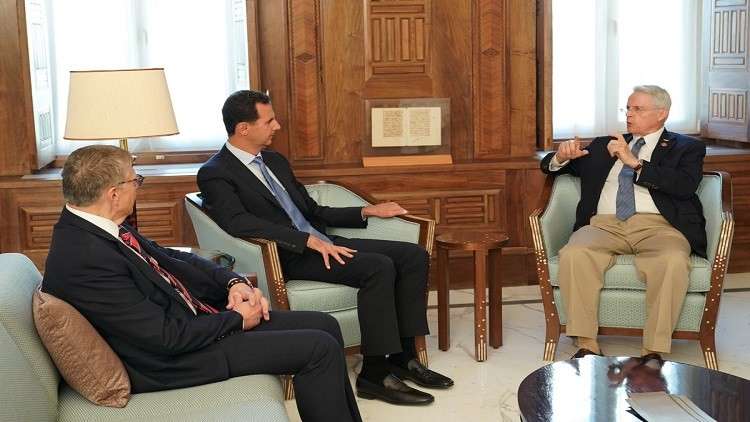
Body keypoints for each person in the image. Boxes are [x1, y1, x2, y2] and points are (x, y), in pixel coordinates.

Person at [42, 145, 362, 422]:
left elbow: (173, 258)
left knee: (325, 325)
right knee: (317, 348)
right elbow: (165, 338)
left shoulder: (99, 226)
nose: (138, 186)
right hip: (169, 362)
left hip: (194, 324)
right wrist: (237, 319)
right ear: (114, 194)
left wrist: (234, 283)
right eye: (135, 180)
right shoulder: (85, 257)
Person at [198, 90, 454, 406]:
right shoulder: (215, 173)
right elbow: (238, 223)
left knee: (413, 256)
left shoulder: (274, 161)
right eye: (269, 121)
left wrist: (365, 211)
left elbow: (310, 209)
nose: (277, 126)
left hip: (322, 242)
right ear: (243, 128)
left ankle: (404, 357)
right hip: (287, 255)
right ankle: (374, 375)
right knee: (378, 267)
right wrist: (305, 241)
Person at [540, 85, 706, 360]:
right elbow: (553, 166)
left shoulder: (686, 147)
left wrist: (635, 163)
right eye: (628, 108)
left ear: (661, 113)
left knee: (672, 260)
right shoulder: (605, 144)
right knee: (575, 253)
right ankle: (586, 344)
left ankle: (653, 350)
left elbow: (684, 185)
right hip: (604, 224)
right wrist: (561, 156)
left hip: (660, 227)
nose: (629, 114)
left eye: (637, 109)